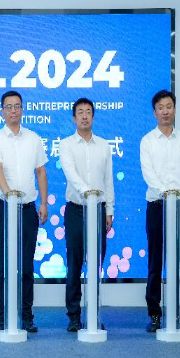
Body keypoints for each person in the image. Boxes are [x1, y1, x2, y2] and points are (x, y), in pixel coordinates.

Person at [0, 90, 49, 333]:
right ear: (2, 111)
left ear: (22, 109)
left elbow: (41, 172)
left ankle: (26, 315)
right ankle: (3, 317)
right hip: (4, 207)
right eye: (9, 107)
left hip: (28, 209)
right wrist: (9, 194)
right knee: (3, 264)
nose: (13, 110)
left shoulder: (33, 138)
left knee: (26, 265)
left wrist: (43, 203)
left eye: (17, 106)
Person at [140, 89, 180, 333]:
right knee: (155, 262)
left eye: (169, 107)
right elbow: (148, 174)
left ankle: (177, 314)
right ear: (154, 112)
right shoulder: (147, 141)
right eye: (161, 108)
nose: (165, 111)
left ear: (174, 109)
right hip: (157, 205)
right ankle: (154, 314)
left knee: (178, 263)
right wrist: (166, 192)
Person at [59, 98, 114, 332]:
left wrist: (109, 210)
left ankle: (94, 313)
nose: (84, 116)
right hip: (76, 209)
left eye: (88, 112)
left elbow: (108, 181)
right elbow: (70, 173)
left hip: (99, 210)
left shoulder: (104, 146)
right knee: (74, 263)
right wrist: (88, 193)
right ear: (74, 118)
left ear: (93, 116)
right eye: (80, 112)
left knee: (96, 264)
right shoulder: (66, 145)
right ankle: (74, 315)